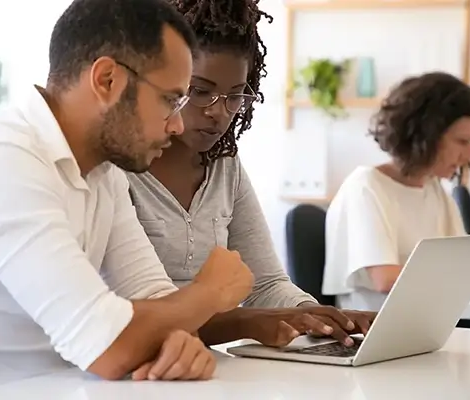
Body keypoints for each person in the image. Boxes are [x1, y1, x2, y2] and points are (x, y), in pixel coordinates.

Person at [0, 0, 256, 397]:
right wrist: (209, 292)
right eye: (171, 100)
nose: (175, 124)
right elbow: (106, 345)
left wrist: (177, 341)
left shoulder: (104, 171)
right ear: (106, 80)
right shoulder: (2, 163)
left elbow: (156, 300)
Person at [127, 0, 376, 349]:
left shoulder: (225, 165)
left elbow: (267, 284)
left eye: (235, 96)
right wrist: (248, 322)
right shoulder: (119, 170)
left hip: (204, 365)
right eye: (200, 91)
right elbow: (136, 311)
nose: (220, 112)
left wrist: (318, 317)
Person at [322, 71, 470, 312]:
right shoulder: (366, 187)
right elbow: (386, 279)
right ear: (425, 134)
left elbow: (464, 264)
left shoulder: (434, 190)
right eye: (462, 142)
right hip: (378, 332)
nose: (468, 156)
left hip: (426, 324)